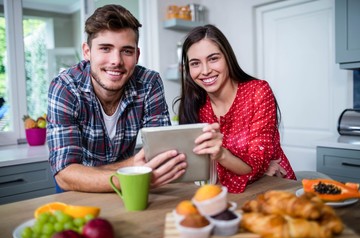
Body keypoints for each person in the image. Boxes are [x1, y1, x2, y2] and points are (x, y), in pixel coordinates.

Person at [47, 4, 187, 192]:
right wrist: (135, 174)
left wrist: (134, 172)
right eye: (105, 48)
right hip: (78, 189)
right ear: (87, 52)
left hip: (125, 182)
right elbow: (65, 174)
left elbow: (158, 154)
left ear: (137, 55)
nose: (116, 61)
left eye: (126, 51)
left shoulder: (149, 82)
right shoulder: (65, 87)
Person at [174, 24, 296, 193]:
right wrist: (255, 171)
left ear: (227, 58)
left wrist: (226, 159)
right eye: (195, 63)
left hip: (273, 187)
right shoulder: (195, 106)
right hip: (224, 194)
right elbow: (197, 169)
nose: (206, 71)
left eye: (213, 59)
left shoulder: (258, 91)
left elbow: (257, 165)